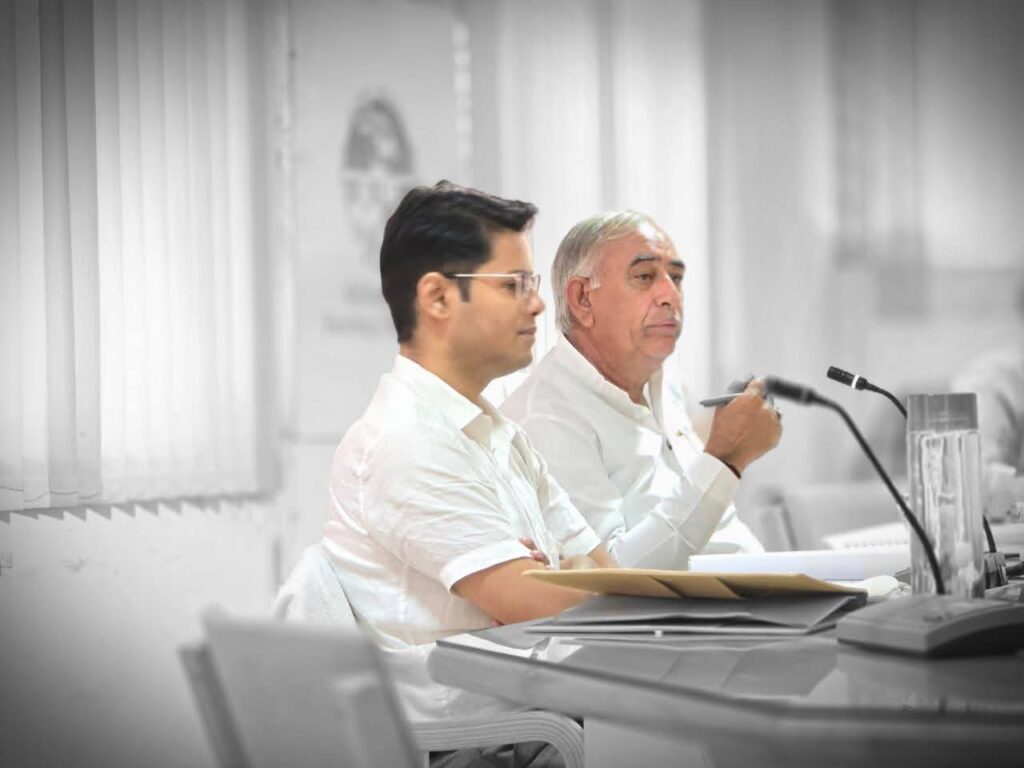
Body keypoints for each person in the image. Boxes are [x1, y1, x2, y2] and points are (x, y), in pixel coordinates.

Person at [323, 182, 614, 736]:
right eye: (513, 285)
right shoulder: (409, 440)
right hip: (488, 746)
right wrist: (554, 582)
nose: (538, 303)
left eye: (532, 284)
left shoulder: (496, 432)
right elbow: (554, 607)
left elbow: (604, 579)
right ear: (437, 298)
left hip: (543, 717)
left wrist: (554, 582)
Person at [503, 211, 781, 569]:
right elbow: (611, 577)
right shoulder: (545, 417)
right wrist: (724, 460)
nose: (671, 295)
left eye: (676, 277)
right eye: (645, 276)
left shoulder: (662, 383)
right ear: (583, 299)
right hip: (700, 605)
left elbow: (723, 538)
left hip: (758, 586)